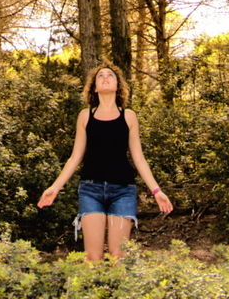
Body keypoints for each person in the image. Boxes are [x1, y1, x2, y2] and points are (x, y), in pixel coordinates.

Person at [37, 61, 173, 261]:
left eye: (110, 75)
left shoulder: (129, 117)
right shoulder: (85, 116)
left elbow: (139, 158)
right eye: (100, 76)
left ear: (118, 86)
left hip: (123, 191)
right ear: (94, 87)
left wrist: (157, 191)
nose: (105, 78)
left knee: (118, 256)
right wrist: (55, 187)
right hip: (90, 190)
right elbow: (75, 157)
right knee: (93, 258)